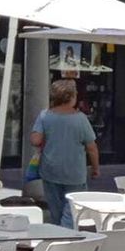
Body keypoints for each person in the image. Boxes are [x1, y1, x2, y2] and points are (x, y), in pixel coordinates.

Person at [30, 79, 99, 228]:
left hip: (50, 170)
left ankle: (57, 234)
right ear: (72, 97)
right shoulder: (81, 119)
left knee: (56, 210)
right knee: (72, 210)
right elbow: (92, 148)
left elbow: (35, 140)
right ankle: (65, 237)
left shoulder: (45, 116)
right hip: (75, 173)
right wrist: (95, 168)